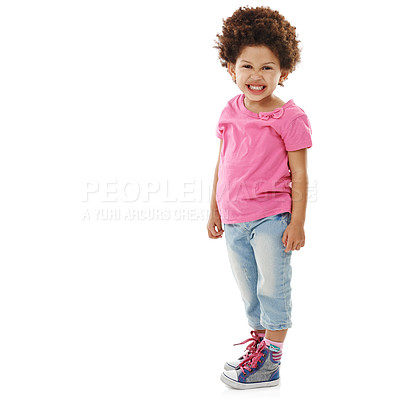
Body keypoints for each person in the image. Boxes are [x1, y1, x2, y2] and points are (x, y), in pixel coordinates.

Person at [207, 6, 313, 390]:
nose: (256, 76)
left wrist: (297, 222)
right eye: (247, 66)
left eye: (267, 68)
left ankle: (272, 362)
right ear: (230, 67)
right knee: (249, 287)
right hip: (234, 218)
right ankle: (260, 345)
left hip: (272, 217)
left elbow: (299, 173)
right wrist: (213, 208)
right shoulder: (230, 111)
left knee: (273, 287)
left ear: (283, 71)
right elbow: (223, 162)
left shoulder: (290, 117)